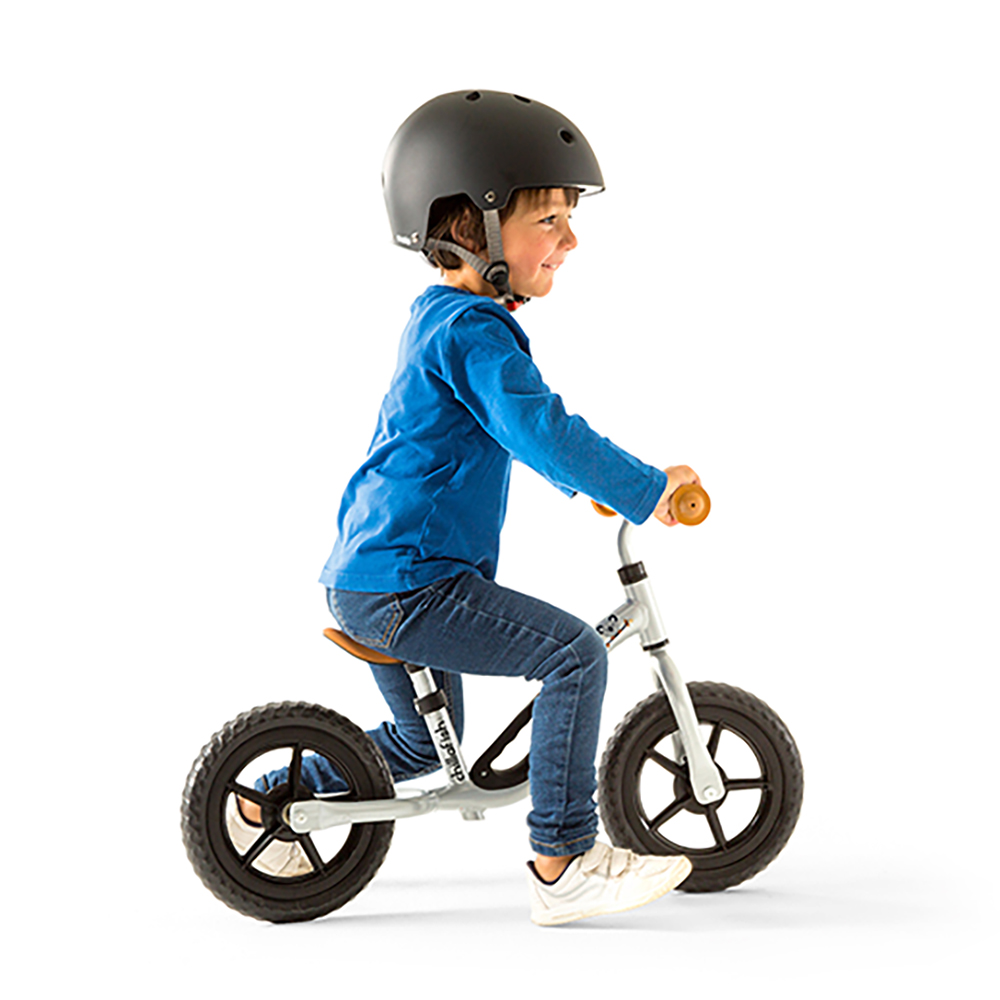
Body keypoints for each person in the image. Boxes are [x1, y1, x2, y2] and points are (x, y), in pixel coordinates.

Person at [228, 90, 701, 926]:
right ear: (472, 227)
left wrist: (589, 485)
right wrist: (644, 487)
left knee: (419, 746)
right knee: (574, 657)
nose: (571, 240)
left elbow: (514, 432)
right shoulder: (474, 331)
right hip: (414, 584)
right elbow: (542, 429)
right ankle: (564, 863)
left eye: (569, 219)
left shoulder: (441, 320)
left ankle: (262, 802)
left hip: (374, 575)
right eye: (549, 219)